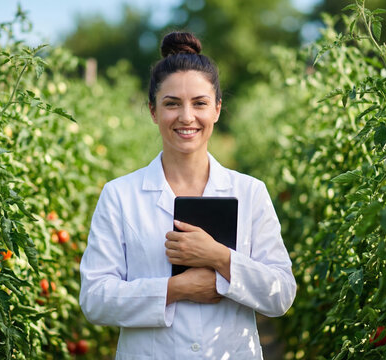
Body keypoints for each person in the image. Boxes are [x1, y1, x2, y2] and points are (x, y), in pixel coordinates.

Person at [79, 31, 296, 360]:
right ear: (153, 111)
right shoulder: (120, 196)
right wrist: (174, 290)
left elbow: (280, 295)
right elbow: (95, 299)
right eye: (171, 104)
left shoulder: (250, 193)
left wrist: (219, 258)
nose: (186, 116)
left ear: (217, 110)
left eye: (199, 103)